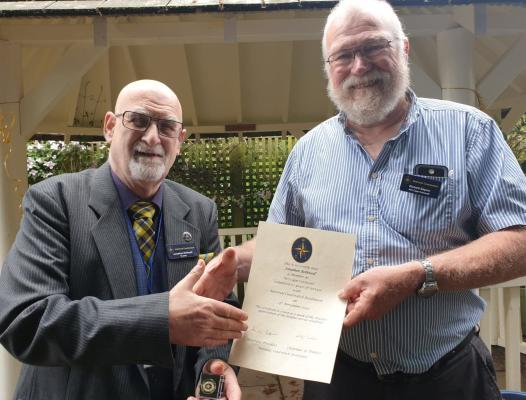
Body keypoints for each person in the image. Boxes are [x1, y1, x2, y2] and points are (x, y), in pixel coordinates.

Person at [193, 1, 526, 399]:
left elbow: (519, 240)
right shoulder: (307, 152)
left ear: (403, 48)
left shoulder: (468, 132)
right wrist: (237, 263)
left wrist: (418, 275)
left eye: (372, 47)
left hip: (447, 376)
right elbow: (283, 245)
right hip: (337, 375)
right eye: (343, 55)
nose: (359, 65)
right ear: (328, 68)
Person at [0, 80, 248, 400]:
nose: (152, 136)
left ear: (180, 139)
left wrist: (215, 367)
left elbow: (217, 309)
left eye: (167, 126)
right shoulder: (55, 201)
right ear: (109, 127)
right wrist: (161, 320)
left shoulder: (199, 211)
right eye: (139, 120)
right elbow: (26, 321)